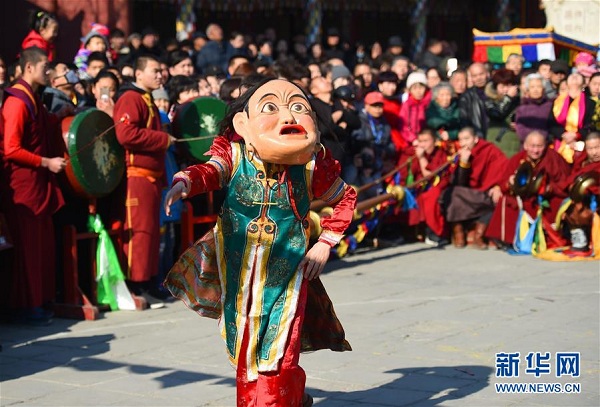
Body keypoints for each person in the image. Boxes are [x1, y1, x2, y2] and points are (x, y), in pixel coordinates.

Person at [163, 77, 356, 406]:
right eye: (271, 108)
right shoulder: (235, 156)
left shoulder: (310, 166)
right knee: (246, 353)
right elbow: (209, 171)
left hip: (288, 274)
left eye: (298, 108)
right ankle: (291, 398)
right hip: (238, 277)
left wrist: (324, 243)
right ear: (243, 123)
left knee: (280, 350)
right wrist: (185, 183)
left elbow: (345, 198)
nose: (288, 117)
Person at [0, 47, 72, 324]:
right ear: (29, 67)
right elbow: (11, 148)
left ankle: (40, 301)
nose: (49, 71)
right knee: (27, 248)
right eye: (45, 66)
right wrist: (45, 162)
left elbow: (41, 126)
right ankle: (25, 307)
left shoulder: (31, 97)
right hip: (23, 184)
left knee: (40, 245)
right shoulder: (17, 101)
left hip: (36, 184)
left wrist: (60, 115)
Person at [113, 55, 175, 309]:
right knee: (139, 233)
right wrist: (162, 140)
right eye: (154, 70)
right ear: (138, 74)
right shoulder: (130, 98)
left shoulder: (146, 98)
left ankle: (149, 283)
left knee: (151, 234)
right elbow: (125, 134)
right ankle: (137, 286)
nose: (160, 74)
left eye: (161, 70)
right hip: (135, 177)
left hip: (151, 178)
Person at [485, 131, 571, 249]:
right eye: (532, 146)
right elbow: (503, 182)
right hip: (524, 199)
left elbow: (565, 183)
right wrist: (509, 183)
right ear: (525, 146)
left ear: (545, 145)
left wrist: (549, 188)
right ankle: (507, 239)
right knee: (506, 200)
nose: (535, 150)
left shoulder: (553, 158)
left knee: (561, 203)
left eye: (539, 146)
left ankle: (550, 237)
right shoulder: (517, 159)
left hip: (547, 198)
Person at [442, 126, 508, 249]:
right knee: (452, 193)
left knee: (497, 201)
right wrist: (464, 163)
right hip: (467, 193)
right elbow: (458, 183)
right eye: (461, 140)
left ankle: (479, 235)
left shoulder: (489, 150)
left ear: (476, 139)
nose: (463, 143)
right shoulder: (459, 154)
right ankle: (458, 233)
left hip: (486, 193)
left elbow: (503, 169)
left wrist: (498, 186)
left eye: (467, 139)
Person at [407, 128, 451, 245]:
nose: (422, 145)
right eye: (420, 141)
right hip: (418, 187)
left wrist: (421, 158)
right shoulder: (414, 153)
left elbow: (430, 176)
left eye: (426, 141)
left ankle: (435, 232)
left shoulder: (441, 153)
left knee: (432, 195)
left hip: (436, 185)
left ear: (435, 141)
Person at [548, 72, 595, 163]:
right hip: (560, 141)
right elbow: (551, 123)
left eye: (577, 76)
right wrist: (563, 134)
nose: (574, 76)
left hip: (581, 144)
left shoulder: (591, 103)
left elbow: (591, 125)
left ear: (584, 83)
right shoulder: (557, 102)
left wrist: (576, 135)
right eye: (571, 75)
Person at [484, 68, 520, 157]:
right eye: (502, 86)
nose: (506, 89)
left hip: (515, 143)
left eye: (508, 86)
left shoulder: (519, 101)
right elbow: (497, 114)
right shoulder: (490, 102)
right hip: (497, 142)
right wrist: (508, 98)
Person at [514, 73, 553, 148]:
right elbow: (520, 129)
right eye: (532, 87)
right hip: (527, 147)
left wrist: (542, 138)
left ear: (544, 89)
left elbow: (552, 127)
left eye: (539, 86)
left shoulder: (550, 106)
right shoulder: (522, 108)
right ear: (527, 90)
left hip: (547, 146)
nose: (536, 90)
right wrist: (533, 140)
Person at [459, 63, 489, 138]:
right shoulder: (466, 97)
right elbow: (464, 122)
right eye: (474, 76)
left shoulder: (496, 91)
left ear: (487, 73)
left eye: (481, 74)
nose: (479, 78)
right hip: (478, 138)